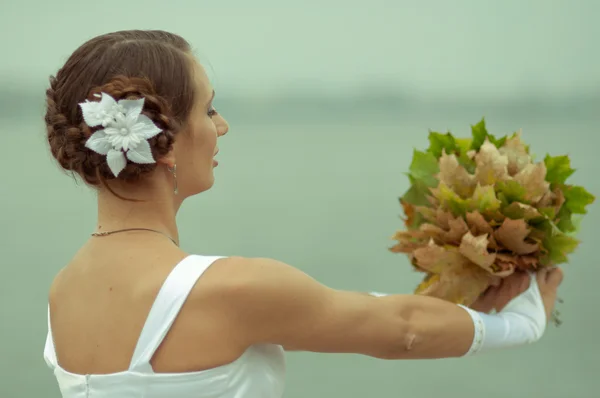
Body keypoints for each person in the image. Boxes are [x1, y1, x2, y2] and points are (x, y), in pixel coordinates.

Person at [43, 30, 563, 398]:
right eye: (208, 109)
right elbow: (401, 329)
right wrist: (522, 321)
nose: (221, 127)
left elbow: (351, 307)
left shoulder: (62, 291)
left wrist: (458, 302)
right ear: (164, 143)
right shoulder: (231, 289)